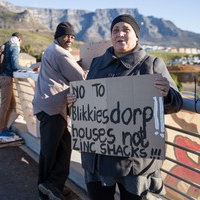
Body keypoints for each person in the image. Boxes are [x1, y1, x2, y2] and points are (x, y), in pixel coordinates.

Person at [67, 14, 183, 200]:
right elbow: (90, 105)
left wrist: (167, 93)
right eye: (115, 30)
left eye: (126, 29)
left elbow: (176, 103)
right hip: (97, 158)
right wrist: (75, 101)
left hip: (134, 163)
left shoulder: (152, 64)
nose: (120, 33)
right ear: (111, 36)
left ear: (136, 36)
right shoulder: (97, 64)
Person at [32, 22, 87, 200]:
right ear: (58, 36)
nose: (70, 39)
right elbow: (79, 77)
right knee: (51, 151)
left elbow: (65, 69)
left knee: (62, 148)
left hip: (47, 106)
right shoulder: (61, 53)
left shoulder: (52, 49)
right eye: (66, 36)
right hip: (52, 108)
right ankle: (46, 189)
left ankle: (54, 185)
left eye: (72, 36)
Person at [0, 32, 33, 139]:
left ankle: (4, 128)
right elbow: (15, 66)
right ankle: (0, 131)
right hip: (6, 78)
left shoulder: (6, 45)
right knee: (5, 106)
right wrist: (31, 70)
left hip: (0, 77)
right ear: (19, 40)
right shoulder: (14, 46)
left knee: (12, 104)